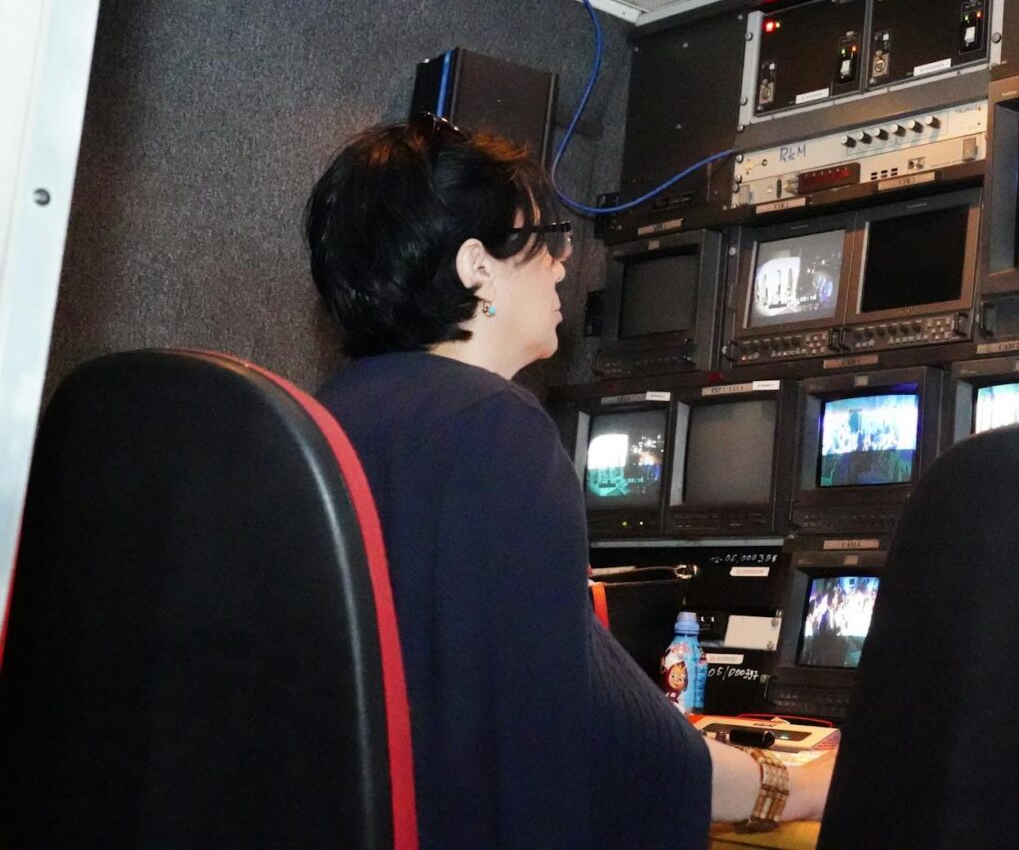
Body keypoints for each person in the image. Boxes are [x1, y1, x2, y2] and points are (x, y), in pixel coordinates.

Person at [304, 115, 833, 849]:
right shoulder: (493, 428)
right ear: (476, 268)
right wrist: (798, 785)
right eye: (544, 237)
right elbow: (564, 731)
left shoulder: (328, 414)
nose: (561, 264)